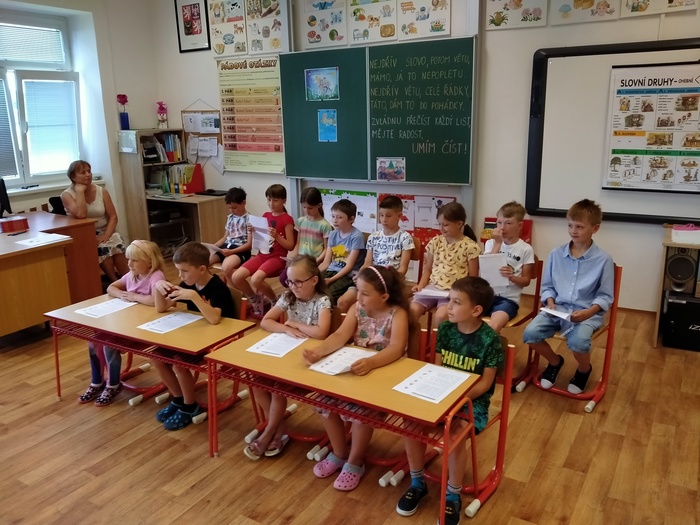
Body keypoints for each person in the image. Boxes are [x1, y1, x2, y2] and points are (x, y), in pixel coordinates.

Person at [396, 277, 503, 524]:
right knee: (410, 424)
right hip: (441, 393)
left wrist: (456, 399)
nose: (449, 307)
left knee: (455, 435)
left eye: (456, 302)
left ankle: (453, 495)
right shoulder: (445, 329)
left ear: (476, 310)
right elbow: (437, 367)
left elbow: (485, 384)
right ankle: (417, 481)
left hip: (471, 402)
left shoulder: (490, 339)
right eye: (449, 300)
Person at [302, 266, 409, 491]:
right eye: (358, 291)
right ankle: (339, 452)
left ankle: (355, 461)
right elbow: (340, 335)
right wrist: (319, 351)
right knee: (324, 402)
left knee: (360, 414)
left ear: (384, 297)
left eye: (365, 293)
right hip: (356, 371)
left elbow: (396, 348)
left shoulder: (397, 314)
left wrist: (371, 363)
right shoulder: (357, 308)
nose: (359, 297)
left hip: (382, 375)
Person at [244, 255, 332, 460]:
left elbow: (321, 333)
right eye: (290, 282)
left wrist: (295, 324)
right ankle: (279, 426)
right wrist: (285, 328)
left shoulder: (322, 301)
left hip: (308, 360)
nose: (293, 286)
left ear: (314, 280)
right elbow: (266, 321)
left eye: (298, 282)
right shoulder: (288, 296)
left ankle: (269, 433)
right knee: (257, 383)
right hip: (286, 354)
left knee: (277, 389)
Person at [522, 199, 614, 394]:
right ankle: (555, 362)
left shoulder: (603, 259)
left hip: (586, 313)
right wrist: (550, 302)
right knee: (530, 334)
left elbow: (605, 296)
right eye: (570, 225)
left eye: (579, 226)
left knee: (578, 342)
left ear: (595, 228)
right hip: (557, 309)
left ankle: (584, 369)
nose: (573, 231)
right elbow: (547, 286)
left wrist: (588, 312)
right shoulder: (556, 254)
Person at [152, 242, 236, 430]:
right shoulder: (188, 284)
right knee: (156, 356)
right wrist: (158, 287)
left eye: (184, 271)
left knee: (178, 362)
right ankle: (179, 398)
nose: (180, 276)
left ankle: (190, 406)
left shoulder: (217, 287)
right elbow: (161, 307)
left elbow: (215, 319)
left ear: (202, 269)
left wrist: (194, 297)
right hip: (195, 338)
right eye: (178, 271)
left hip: (218, 342)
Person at [78, 240, 166, 407]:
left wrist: (134, 297)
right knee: (93, 342)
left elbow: (156, 301)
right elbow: (111, 287)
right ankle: (97, 382)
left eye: (135, 260)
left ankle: (113, 384)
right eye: (128, 259)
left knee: (108, 345)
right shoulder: (132, 275)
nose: (129, 264)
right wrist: (121, 294)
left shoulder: (156, 276)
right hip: (126, 325)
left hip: (145, 330)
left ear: (150, 261)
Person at [337, 195, 414, 311]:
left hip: (391, 283)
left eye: (388, 216)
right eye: (381, 215)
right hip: (371, 280)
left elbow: (403, 269)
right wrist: (360, 275)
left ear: (399, 216)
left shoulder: (405, 238)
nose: (384, 219)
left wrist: (388, 280)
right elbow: (367, 263)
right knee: (343, 301)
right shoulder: (374, 237)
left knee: (370, 303)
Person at [410, 202, 481, 327]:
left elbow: (473, 278)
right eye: (439, 224)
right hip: (432, 289)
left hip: (453, 292)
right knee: (411, 311)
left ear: (459, 224)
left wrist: (461, 295)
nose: (441, 228)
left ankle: (440, 340)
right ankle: (409, 339)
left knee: (441, 316)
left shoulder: (470, 247)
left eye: (446, 225)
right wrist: (420, 286)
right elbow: (428, 270)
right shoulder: (435, 242)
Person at [231, 184, 295, 316]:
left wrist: (277, 236)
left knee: (256, 279)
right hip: (262, 255)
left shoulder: (287, 219)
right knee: (236, 277)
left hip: (277, 258)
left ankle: (274, 301)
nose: (271, 203)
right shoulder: (265, 215)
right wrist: (253, 231)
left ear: (284, 200)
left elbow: (290, 246)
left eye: (275, 200)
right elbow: (260, 239)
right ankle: (255, 299)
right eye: (269, 200)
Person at [61, 160, 128, 281]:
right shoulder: (66, 195)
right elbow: (81, 214)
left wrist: (106, 235)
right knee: (103, 247)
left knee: (116, 243)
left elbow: (113, 216)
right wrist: (80, 192)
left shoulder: (102, 191)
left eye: (89, 171)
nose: (88, 174)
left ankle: (127, 279)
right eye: (83, 172)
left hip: (106, 231)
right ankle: (114, 280)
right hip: (85, 234)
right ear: (73, 177)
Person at [482, 201, 535, 332]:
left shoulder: (525, 249)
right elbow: (487, 269)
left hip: (507, 300)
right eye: (499, 222)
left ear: (519, 226)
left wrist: (511, 277)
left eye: (508, 223)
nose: (502, 228)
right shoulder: (491, 243)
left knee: (493, 326)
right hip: (486, 295)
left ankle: (488, 344)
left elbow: (526, 281)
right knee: (463, 315)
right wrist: (498, 243)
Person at [279, 187, 333, 287]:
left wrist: (316, 261)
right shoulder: (301, 221)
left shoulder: (325, 225)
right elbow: (298, 243)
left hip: (313, 262)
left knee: (300, 281)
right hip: (300, 260)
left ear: (319, 205)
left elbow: (327, 249)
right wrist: (292, 257)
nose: (307, 211)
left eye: (310, 208)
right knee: (284, 279)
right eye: (304, 207)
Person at [317, 198, 366, 305]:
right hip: (331, 270)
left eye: (339, 217)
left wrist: (330, 280)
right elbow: (326, 262)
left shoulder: (356, 236)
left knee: (327, 294)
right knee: (310, 286)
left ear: (351, 219)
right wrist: (313, 273)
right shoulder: (333, 234)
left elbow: (349, 266)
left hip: (347, 275)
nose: (335, 220)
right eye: (333, 216)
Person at [208, 187, 252, 283]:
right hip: (226, 248)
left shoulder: (250, 220)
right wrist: (213, 247)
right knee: (202, 262)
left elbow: (249, 245)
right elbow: (225, 238)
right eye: (229, 208)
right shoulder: (230, 218)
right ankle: (215, 285)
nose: (231, 210)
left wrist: (232, 252)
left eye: (234, 207)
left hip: (240, 251)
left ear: (243, 203)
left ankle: (231, 290)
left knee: (226, 268)